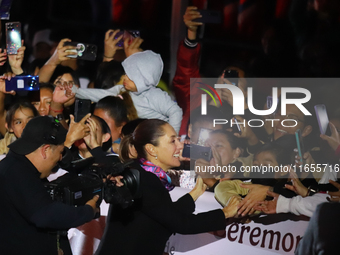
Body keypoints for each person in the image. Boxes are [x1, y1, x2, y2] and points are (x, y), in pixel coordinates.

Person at [95, 119, 240, 255]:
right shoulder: (146, 179)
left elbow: (164, 213)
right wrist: (225, 213)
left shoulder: (139, 173)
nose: (180, 145)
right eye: (173, 141)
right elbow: (182, 224)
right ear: (152, 149)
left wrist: (195, 193)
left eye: (178, 139)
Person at [0, 116, 99, 255]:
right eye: (60, 152)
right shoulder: (17, 173)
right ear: (45, 150)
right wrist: (88, 211)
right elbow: (46, 215)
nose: (60, 159)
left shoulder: (16, 167)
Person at [73, 37, 183, 133]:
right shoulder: (122, 90)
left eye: (131, 76)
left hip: (160, 136)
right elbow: (101, 94)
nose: (124, 78)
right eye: (126, 73)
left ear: (142, 79)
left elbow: (175, 111)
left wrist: (172, 138)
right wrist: (75, 91)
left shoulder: (154, 95)